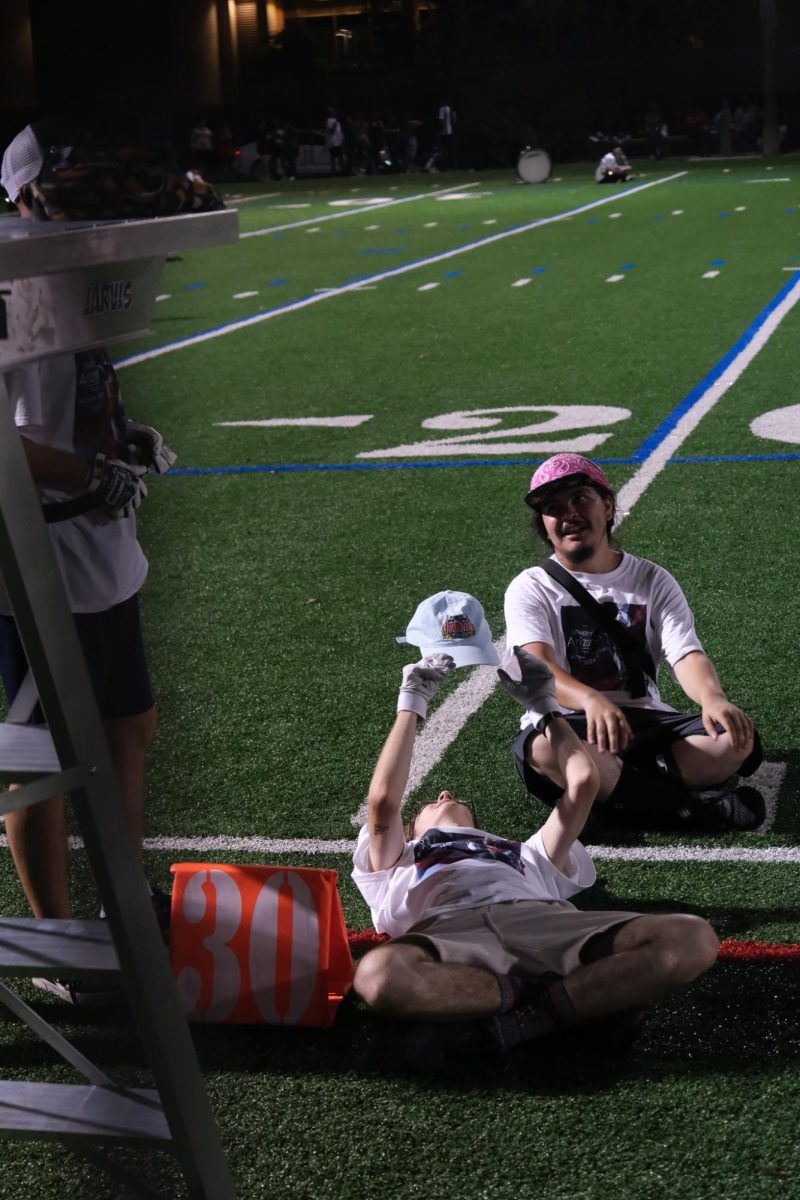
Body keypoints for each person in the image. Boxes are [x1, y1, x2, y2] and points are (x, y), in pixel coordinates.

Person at [352, 647, 719, 1073]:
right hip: (449, 931)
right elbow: (382, 802)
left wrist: (545, 706)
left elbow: (583, 781)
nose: (444, 795)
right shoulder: (402, 857)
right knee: (376, 977)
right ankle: (572, 1003)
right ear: (413, 830)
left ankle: (517, 1024)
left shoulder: (525, 853)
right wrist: (411, 701)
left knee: (692, 938)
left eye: (451, 797)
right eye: (431, 802)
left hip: (542, 919)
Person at [0, 120, 174, 1001]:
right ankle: (55, 939)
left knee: (125, 723)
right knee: (41, 755)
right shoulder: (13, 283)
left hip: (97, 543)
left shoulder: (64, 279)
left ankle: (120, 901)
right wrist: (84, 468)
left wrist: (120, 438)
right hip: (36, 555)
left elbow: (73, 391)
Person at [504, 453, 765, 834]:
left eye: (580, 499)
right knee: (543, 750)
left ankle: (613, 802)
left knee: (735, 740)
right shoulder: (531, 586)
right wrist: (591, 700)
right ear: (544, 524)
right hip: (569, 725)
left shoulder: (652, 579)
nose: (568, 514)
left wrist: (712, 699)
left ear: (607, 506)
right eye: (553, 508)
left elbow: (685, 652)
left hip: (646, 723)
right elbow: (536, 667)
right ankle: (684, 811)